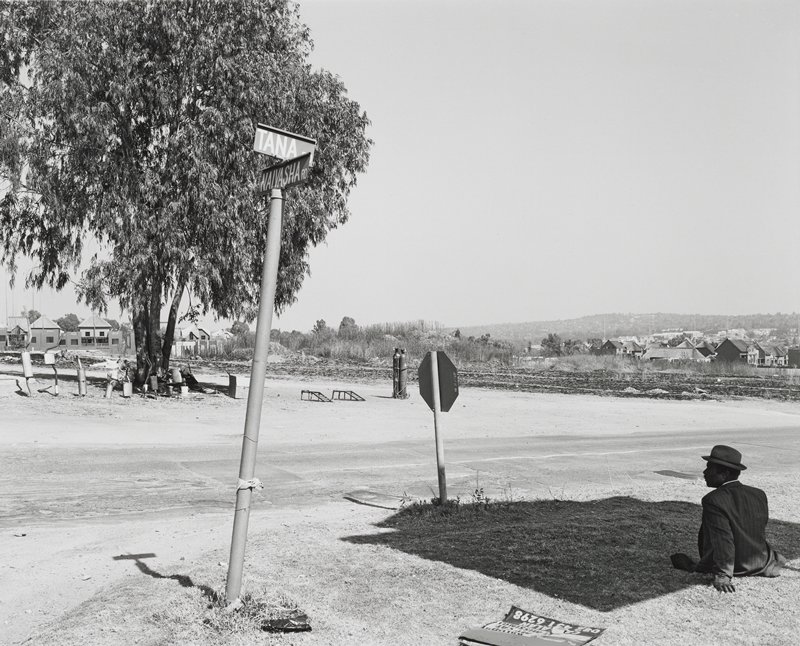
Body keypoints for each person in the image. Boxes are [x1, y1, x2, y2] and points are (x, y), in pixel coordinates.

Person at [670, 445, 784, 593]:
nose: (704, 472)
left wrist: (723, 574)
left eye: (709, 468)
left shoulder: (713, 500)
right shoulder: (758, 494)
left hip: (737, 566)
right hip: (761, 561)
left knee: (679, 560)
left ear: (725, 473)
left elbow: (723, 539)